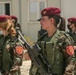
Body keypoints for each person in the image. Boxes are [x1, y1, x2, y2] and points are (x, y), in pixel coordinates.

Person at [29, 7, 75, 75]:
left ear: (51, 20)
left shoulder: (63, 38)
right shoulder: (41, 39)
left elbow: (72, 61)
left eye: (43, 19)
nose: (40, 22)